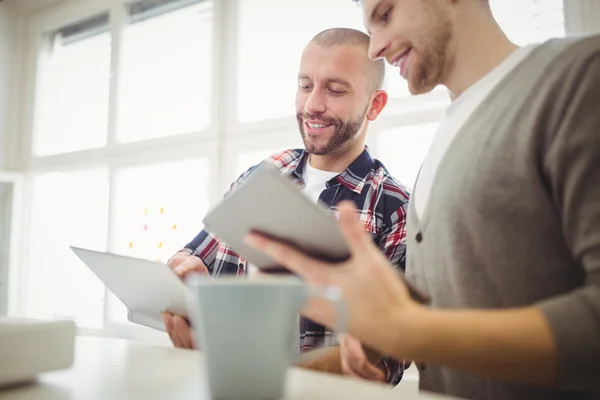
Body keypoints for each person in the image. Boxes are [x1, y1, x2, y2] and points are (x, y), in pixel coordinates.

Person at [243, 1, 600, 399]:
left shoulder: (581, 75)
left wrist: (405, 330)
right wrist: (370, 338)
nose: (375, 46)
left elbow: (417, 329)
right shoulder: (442, 147)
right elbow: (432, 318)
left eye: (385, 14)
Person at [162, 27, 412, 385]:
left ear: (375, 104)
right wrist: (187, 274)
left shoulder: (395, 207)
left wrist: (259, 373)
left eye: (335, 89)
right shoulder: (263, 174)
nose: (312, 105)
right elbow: (196, 256)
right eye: (305, 85)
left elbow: (386, 358)